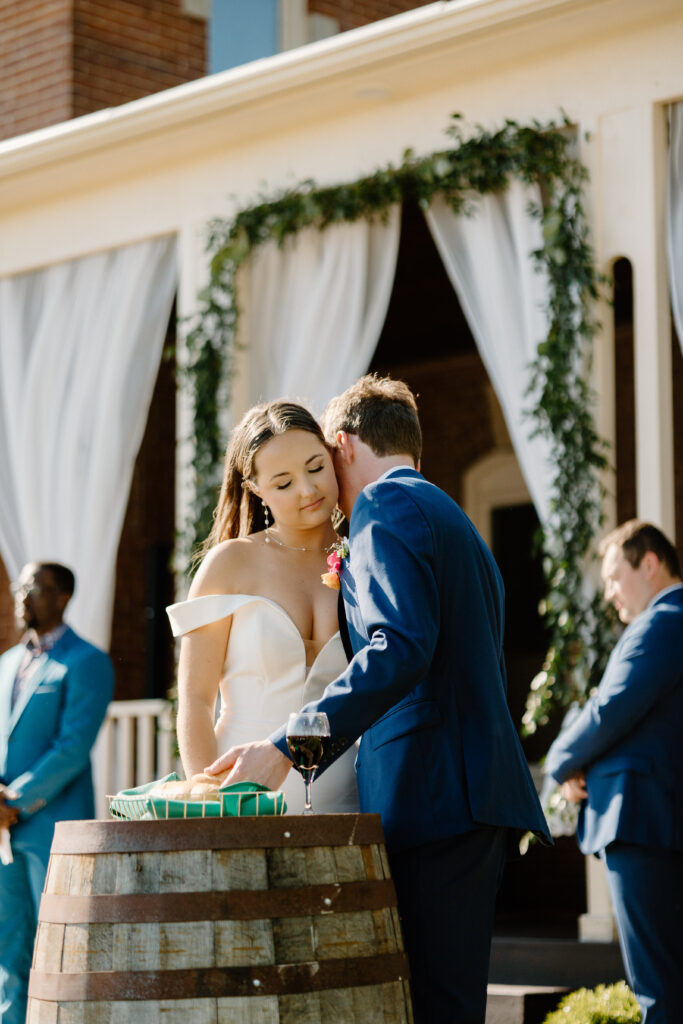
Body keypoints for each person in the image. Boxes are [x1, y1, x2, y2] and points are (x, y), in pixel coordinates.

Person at [207, 374, 550, 1024]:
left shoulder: (384, 508)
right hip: (461, 797)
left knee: (432, 1005)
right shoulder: (450, 519)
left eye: (319, 464)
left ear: (342, 445)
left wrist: (288, 746)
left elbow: (397, 649)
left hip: (434, 798)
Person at [166, 400, 359, 814]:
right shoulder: (231, 563)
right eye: (284, 483)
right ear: (256, 489)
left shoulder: (363, 556)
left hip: (353, 798)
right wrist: (213, 803)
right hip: (243, 798)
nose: (308, 490)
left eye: (315, 467)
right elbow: (196, 699)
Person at [545, 521, 683, 1024]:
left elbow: (610, 708)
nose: (608, 594)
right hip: (657, 823)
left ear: (649, 563)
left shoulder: (662, 622)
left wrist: (559, 761)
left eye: (613, 577)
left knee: (659, 989)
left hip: (644, 823)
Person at [0, 561, 114, 1024]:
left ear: (63, 596)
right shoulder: (6, 663)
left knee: (58, 944)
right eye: (20, 586)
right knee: (9, 941)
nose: (24, 595)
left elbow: (72, 746)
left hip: (50, 824)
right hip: (2, 830)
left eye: (37, 587)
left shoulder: (88, 662)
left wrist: (13, 801)